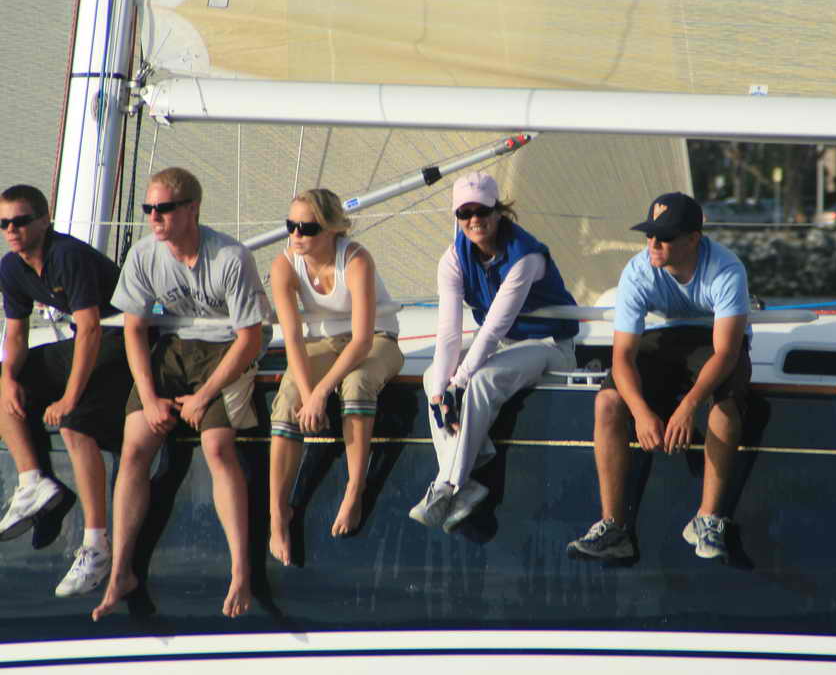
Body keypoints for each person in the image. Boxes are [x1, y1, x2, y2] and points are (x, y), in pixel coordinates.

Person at [92, 167, 270, 620]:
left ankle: (240, 572)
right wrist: (149, 396)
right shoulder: (144, 255)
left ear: (192, 209)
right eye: (148, 209)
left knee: (218, 448)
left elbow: (250, 338)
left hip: (226, 348)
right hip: (172, 348)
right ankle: (121, 572)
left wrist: (204, 396)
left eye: (164, 209)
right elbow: (134, 329)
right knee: (135, 448)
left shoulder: (230, 257)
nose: (154, 217)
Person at [567, 192, 752, 563]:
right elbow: (622, 356)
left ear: (693, 239)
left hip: (713, 343)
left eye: (664, 237)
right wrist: (640, 412)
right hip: (663, 339)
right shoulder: (638, 270)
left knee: (725, 404)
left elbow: (726, 353)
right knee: (607, 402)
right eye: (649, 234)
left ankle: (708, 519)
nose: (653, 243)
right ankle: (613, 528)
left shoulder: (726, 269)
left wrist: (687, 407)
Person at [411, 172, 578, 532]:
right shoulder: (453, 259)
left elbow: (492, 328)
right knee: (432, 376)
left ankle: (448, 485)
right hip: (504, 345)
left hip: (549, 345)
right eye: (464, 213)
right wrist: (441, 394)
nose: (474, 220)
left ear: (499, 211)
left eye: (482, 211)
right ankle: (470, 469)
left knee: (481, 381)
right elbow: (449, 333)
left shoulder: (525, 257)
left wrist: (458, 385)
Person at [0, 184, 131, 597]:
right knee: (2, 382)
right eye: (3, 223)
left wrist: (69, 398)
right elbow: (16, 333)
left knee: (75, 424)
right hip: (87, 341)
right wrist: (8, 378)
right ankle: (33, 482)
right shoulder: (11, 267)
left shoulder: (67, 255)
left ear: (44, 220)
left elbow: (90, 329)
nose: (11, 230)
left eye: (21, 221)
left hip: (125, 340)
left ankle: (96, 545)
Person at [268, 189, 403, 565]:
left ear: (331, 229)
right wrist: (306, 392)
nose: (296, 234)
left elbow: (362, 341)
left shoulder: (355, 260)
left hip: (376, 339)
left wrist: (321, 393)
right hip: (324, 343)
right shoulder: (284, 265)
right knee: (287, 399)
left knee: (357, 384)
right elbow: (293, 339)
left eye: (307, 228)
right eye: (291, 225)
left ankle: (354, 489)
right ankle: (278, 513)